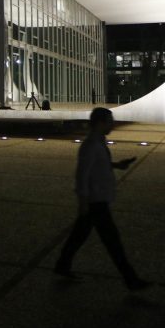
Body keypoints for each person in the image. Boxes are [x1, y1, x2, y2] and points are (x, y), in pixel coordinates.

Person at [53, 107, 150, 291]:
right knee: (113, 242)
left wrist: (117, 165)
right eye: (109, 121)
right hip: (95, 201)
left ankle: (62, 265)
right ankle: (131, 280)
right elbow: (82, 174)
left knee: (79, 236)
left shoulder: (97, 142)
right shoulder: (90, 145)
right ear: (100, 123)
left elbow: (97, 165)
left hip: (96, 200)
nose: (112, 124)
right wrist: (82, 201)